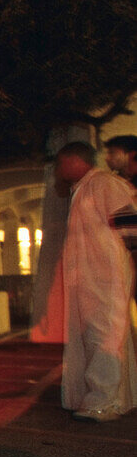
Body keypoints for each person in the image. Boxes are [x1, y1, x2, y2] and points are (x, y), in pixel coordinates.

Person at [54, 141, 137, 422]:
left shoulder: (105, 184)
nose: (58, 170)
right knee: (93, 337)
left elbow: (130, 226)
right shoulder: (84, 189)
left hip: (106, 279)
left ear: (74, 160)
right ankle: (96, 397)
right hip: (90, 281)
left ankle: (104, 402)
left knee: (104, 337)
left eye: (60, 163)